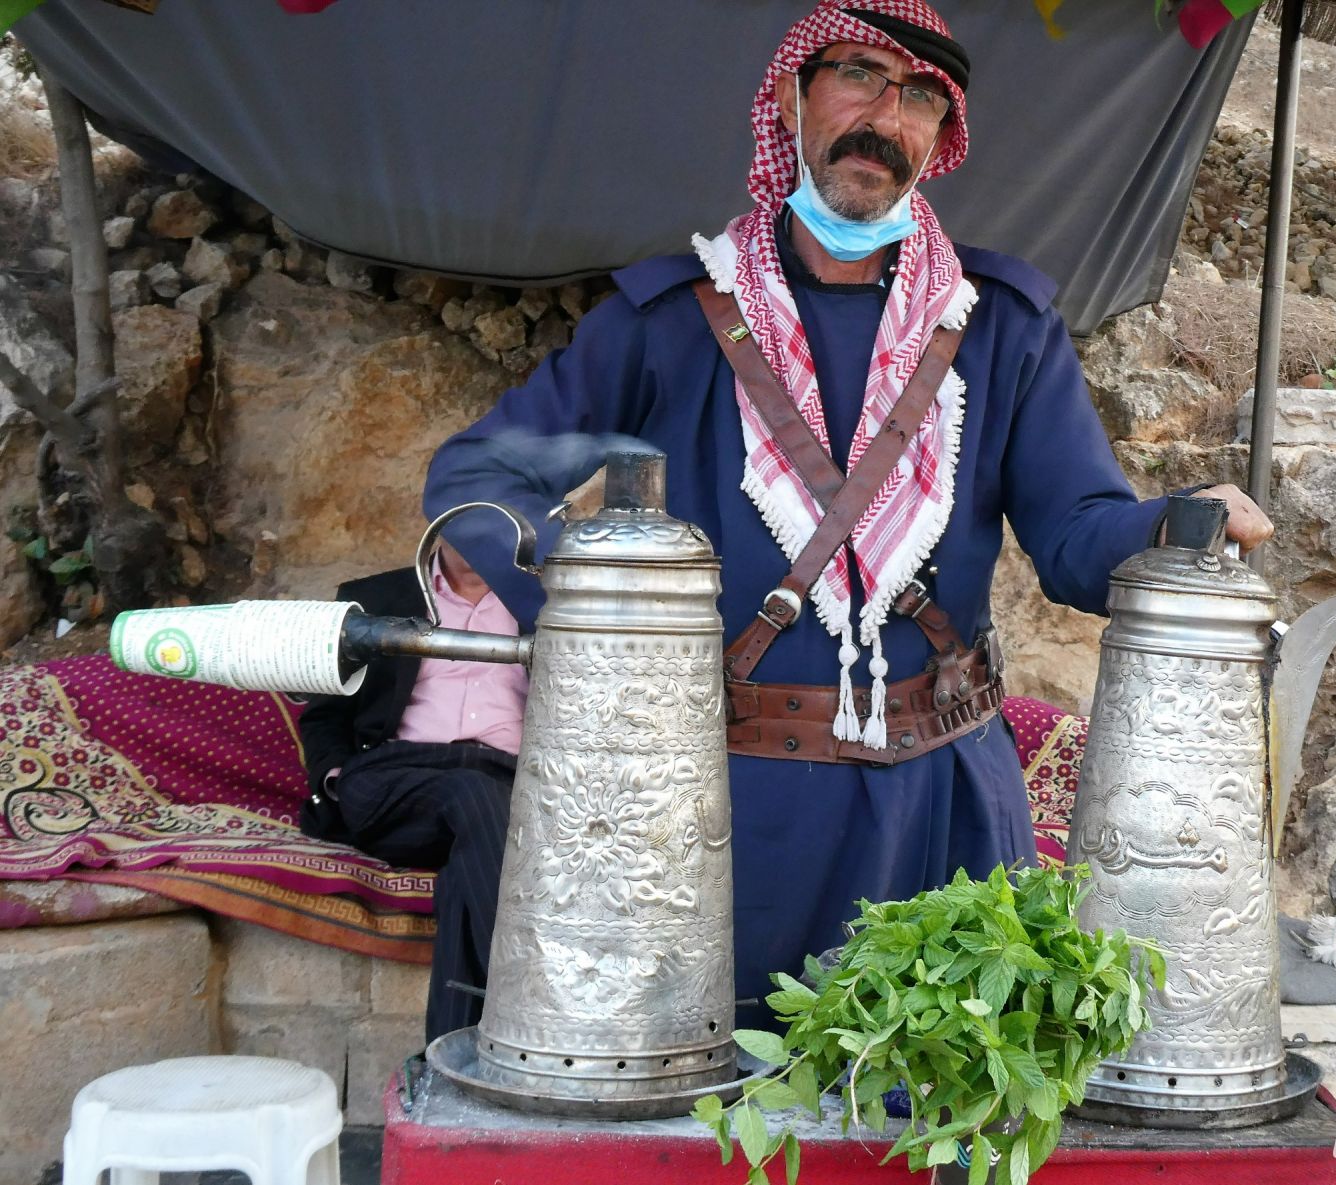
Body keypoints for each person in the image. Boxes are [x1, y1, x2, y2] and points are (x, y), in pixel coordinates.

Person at [423, 0, 1273, 1017]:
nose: (886, 117)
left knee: (942, 1100)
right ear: (792, 96)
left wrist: (1172, 523)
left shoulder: (999, 327)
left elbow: (1077, 539)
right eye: (859, 75)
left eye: (920, 98)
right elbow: (477, 479)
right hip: (722, 812)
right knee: (720, 1093)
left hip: (945, 809)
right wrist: (603, 610)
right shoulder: (671, 320)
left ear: (940, 137)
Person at [297, 541, 525, 1043]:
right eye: (460, 515)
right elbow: (323, 714)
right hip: (393, 777)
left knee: (467, 874)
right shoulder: (373, 598)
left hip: (506, 786)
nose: (474, 531)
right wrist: (335, 779)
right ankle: (529, 1008)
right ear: (438, 522)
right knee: (473, 796)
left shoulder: (543, 605)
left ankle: (447, 1062)